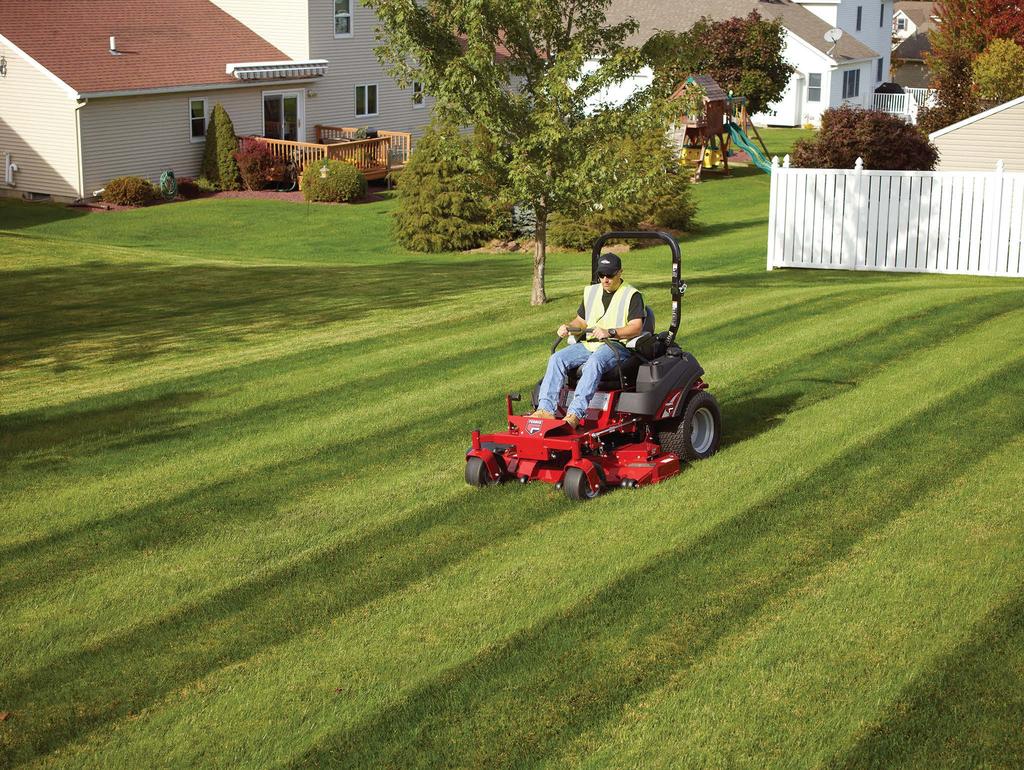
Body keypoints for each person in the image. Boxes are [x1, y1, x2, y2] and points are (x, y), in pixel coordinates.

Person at [531, 253, 645, 428]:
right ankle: (546, 410)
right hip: (590, 343)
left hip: (617, 345)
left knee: (594, 362)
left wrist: (611, 332)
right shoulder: (591, 292)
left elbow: (636, 327)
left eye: (610, 275)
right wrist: (568, 326)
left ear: (620, 272)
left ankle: (575, 414)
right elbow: (581, 322)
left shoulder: (632, 295)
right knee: (557, 358)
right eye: (601, 275)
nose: (605, 279)